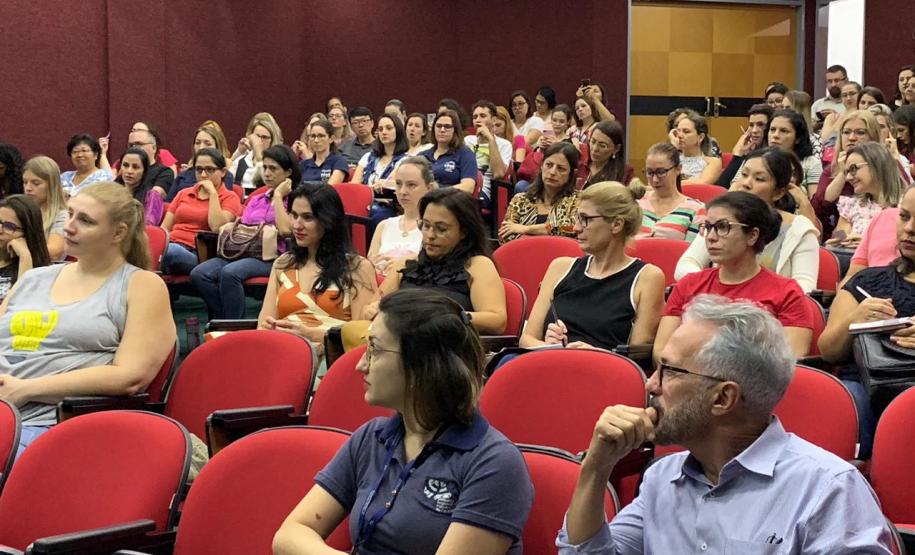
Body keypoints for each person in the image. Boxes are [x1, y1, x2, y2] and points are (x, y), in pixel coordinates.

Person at [558, 294, 893, 554]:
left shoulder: (827, 489)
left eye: (669, 371)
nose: (651, 385)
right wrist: (595, 469)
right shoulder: (663, 477)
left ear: (722, 399)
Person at [273, 289, 534, 554]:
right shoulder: (371, 437)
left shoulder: (493, 462)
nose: (361, 365)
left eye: (374, 349)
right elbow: (289, 535)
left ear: (422, 364)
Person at [0, 182, 176, 455]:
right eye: (69, 214)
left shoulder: (141, 285)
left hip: (50, 423)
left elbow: (130, 377)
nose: (69, 226)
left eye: (85, 220)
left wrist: (26, 389)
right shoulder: (35, 278)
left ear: (118, 232)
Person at [660, 191, 814, 360]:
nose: (711, 237)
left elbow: (789, 361)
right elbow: (661, 352)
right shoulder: (688, 284)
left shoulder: (787, 292)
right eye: (708, 227)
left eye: (723, 227)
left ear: (752, 235)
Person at [521, 180, 664, 350]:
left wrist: (596, 355)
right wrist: (548, 346)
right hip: (550, 362)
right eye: (577, 218)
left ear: (616, 224)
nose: (576, 228)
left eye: (585, 220)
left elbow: (637, 355)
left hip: (603, 372)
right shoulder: (560, 268)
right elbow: (527, 339)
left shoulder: (647, 278)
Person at [821, 186, 915, 420]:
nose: (909, 229)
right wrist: (854, 320)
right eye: (904, 217)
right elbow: (828, 351)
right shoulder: (868, 281)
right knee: (841, 410)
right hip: (866, 386)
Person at [364, 188, 506, 335]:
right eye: (426, 226)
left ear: (464, 231)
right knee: (353, 330)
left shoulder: (477, 265)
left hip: (446, 344)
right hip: (399, 338)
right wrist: (372, 309)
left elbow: (497, 321)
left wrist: (444, 317)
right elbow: (372, 306)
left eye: (441, 229)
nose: (430, 235)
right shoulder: (406, 264)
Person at [678, 149, 819, 293]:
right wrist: (717, 287)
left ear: (779, 192)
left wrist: (752, 294)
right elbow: (685, 265)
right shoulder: (719, 219)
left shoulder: (799, 228)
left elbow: (805, 287)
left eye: (759, 179)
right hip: (719, 304)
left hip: (772, 309)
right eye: (744, 175)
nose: (746, 183)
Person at [257, 184, 377, 353]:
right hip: (283, 351)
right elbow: (264, 324)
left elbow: (361, 337)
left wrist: (312, 335)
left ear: (328, 221)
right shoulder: (283, 263)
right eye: (294, 215)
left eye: (307, 217)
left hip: (330, 357)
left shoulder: (357, 268)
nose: (297, 225)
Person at [190, 145, 297, 319]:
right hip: (241, 250)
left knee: (230, 273)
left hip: (272, 256)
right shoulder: (257, 198)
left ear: (288, 172)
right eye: (265, 168)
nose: (267, 173)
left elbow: (285, 231)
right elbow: (244, 225)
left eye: (273, 168)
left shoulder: (295, 199)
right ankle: (226, 319)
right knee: (199, 274)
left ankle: (234, 326)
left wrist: (278, 197)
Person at [160, 148, 242, 275]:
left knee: (170, 251)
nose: (203, 175)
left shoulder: (230, 197)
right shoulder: (183, 193)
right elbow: (165, 228)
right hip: (171, 244)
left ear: (223, 172)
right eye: (199, 169)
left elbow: (216, 227)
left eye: (210, 169)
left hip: (199, 255)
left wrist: (213, 194)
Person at [499, 143, 581, 244]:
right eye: (549, 165)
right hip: (523, 255)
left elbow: (570, 229)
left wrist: (526, 229)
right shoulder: (521, 199)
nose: (552, 172)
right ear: (542, 166)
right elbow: (505, 235)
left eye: (561, 168)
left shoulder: (578, 200)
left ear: (572, 173)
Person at [367, 157, 436, 278]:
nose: (403, 191)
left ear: (429, 188)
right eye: (398, 184)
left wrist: (405, 264)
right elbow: (369, 267)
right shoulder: (383, 225)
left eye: (411, 185)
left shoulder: (434, 229)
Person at [828, 142, 906, 246]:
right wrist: (844, 238)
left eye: (853, 169)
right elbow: (838, 233)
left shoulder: (905, 206)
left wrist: (866, 241)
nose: (848, 178)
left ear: (876, 165)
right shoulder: (852, 204)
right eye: (847, 172)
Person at [638, 143, 706, 241]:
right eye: (650, 173)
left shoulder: (696, 209)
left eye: (661, 172)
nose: (655, 180)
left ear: (678, 169)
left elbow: (691, 253)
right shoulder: (637, 203)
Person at [167, 123, 236, 201]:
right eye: (198, 143)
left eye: (207, 144)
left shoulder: (225, 175)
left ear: (217, 147)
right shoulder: (183, 175)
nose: (201, 147)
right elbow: (168, 203)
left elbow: (225, 202)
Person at [0, 195, 51, 300]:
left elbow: (21, 308)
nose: (0, 230)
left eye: (9, 226)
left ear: (27, 233)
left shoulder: (42, 272)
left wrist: (25, 257)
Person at [763, 109, 822, 196]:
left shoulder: (811, 163)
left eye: (784, 131)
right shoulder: (755, 159)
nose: (775, 135)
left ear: (797, 138)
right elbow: (736, 191)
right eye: (772, 130)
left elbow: (814, 204)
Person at [465, 101, 512, 206]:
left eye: (483, 116)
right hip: (464, 186)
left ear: (494, 120)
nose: (478, 120)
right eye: (475, 117)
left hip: (484, 191)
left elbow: (499, 173)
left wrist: (490, 139)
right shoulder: (467, 141)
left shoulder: (504, 144)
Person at [715, 104, 773, 187]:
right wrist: (738, 155)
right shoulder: (748, 153)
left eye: (760, 125)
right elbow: (721, 186)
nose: (754, 130)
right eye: (751, 125)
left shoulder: (772, 156)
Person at [420, 110, 477, 195]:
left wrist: (438, 189)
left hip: (450, 202)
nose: (442, 130)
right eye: (438, 126)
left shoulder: (465, 154)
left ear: (455, 130)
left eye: (447, 126)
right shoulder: (422, 155)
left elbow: (468, 187)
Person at [22, 156, 67, 261]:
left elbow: (53, 252)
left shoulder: (62, 216)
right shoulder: (21, 212)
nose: (28, 188)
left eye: (36, 183)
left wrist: (20, 251)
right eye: (25, 182)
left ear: (52, 185)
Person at [230, 112, 283, 192]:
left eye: (264, 137)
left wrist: (259, 154)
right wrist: (239, 152)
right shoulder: (241, 161)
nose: (260, 141)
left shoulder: (277, 162)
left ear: (272, 140)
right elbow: (225, 178)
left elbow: (268, 182)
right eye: (257, 136)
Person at [353, 114, 409, 190]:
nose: (384, 132)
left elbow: (389, 184)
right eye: (380, 129)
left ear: (398, 131)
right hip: (365, 199)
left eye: (389, 128)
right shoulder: (367, 157)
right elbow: (354, 185)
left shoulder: (406, 160)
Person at [115, 148, 165, 226]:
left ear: (144, 171)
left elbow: (148, 227)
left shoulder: (152, 196)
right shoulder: (111, 191)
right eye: (125, 165)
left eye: (135, 167)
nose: (129, 171)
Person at [670, 112, 722, 184]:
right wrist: (673, 148)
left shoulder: (712, 162)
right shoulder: (671, 159)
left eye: (686, 131)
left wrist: (669, 184)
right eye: (678, 131)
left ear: (700, 137)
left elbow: (702, 183)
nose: (680, 135)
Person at [125, 126, 175, 198]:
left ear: (154, 148)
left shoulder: (164, 172)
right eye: (131, 145)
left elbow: (153, 198)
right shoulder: (125, 170)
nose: (134, 148)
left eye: (139, 144)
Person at [582, 121, 634, 188]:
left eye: (602, 146)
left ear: (617, 148)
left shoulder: (625, 173)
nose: (595, 149)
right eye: (593, 141)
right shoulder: (580, 167)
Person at [298, 119, 349, 185]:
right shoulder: (303, 164)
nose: (316, 140)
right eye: (313, 136)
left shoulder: (339, 161)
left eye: (321, 136)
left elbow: (331, 188)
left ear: (331, 139)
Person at [782, 90, 823, 159]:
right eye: (782, 107)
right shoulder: (776, 135)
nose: (783, 111)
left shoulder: (815, 141)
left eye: (787, 108)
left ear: (800, 110)